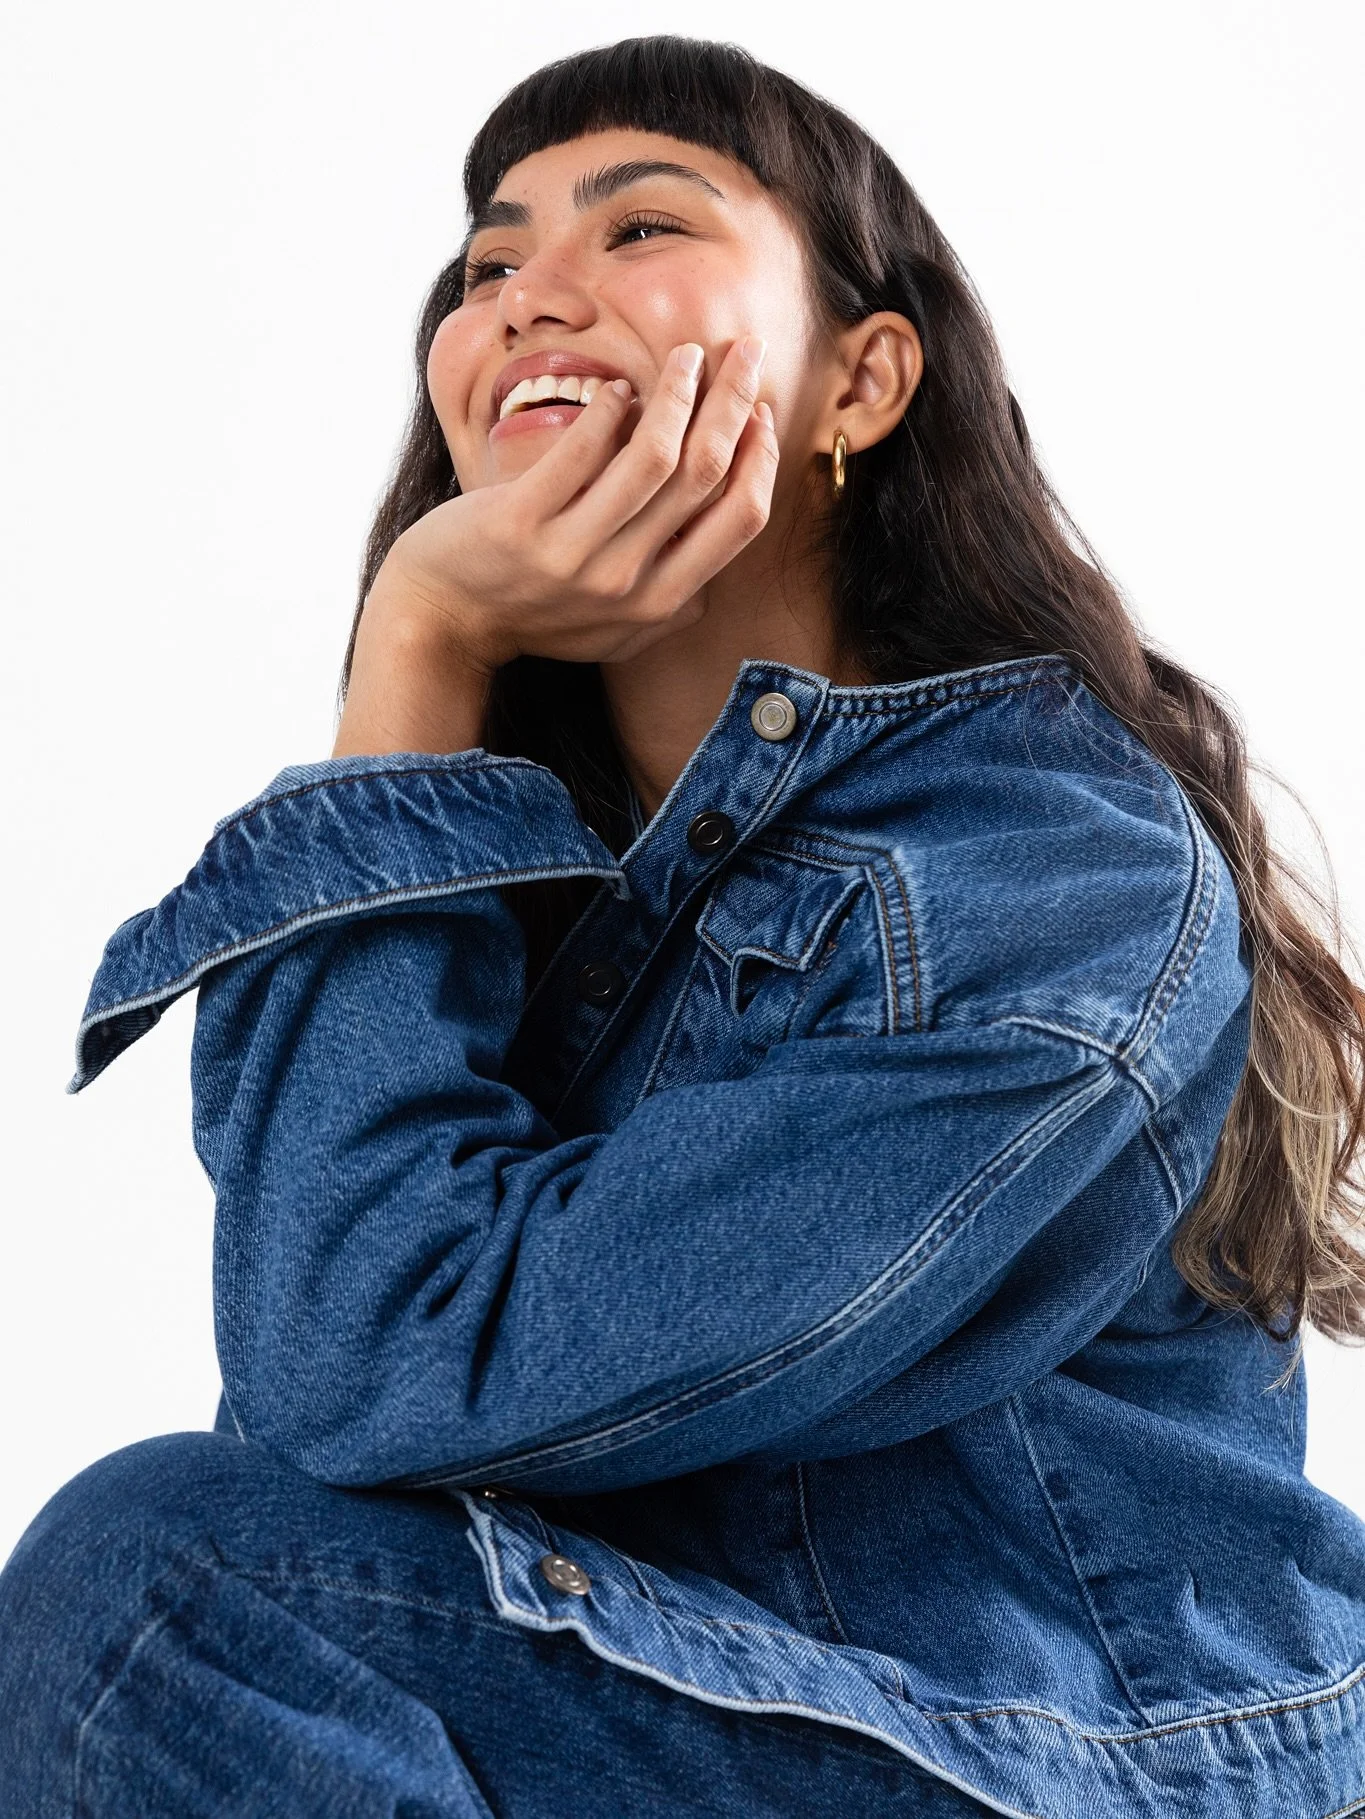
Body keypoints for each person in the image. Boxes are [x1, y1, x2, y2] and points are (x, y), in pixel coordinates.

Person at [2, 33, 1362, 1819]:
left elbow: (383, 1353)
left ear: (863, 382)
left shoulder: (1055, 876)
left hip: (1039, 1761)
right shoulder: (532, 864)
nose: (529, 299)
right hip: (694, 1694)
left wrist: (415, 640)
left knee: (157, 1585)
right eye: (486, 267)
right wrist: (420, 658)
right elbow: (327, 1425)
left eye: (640, 227)